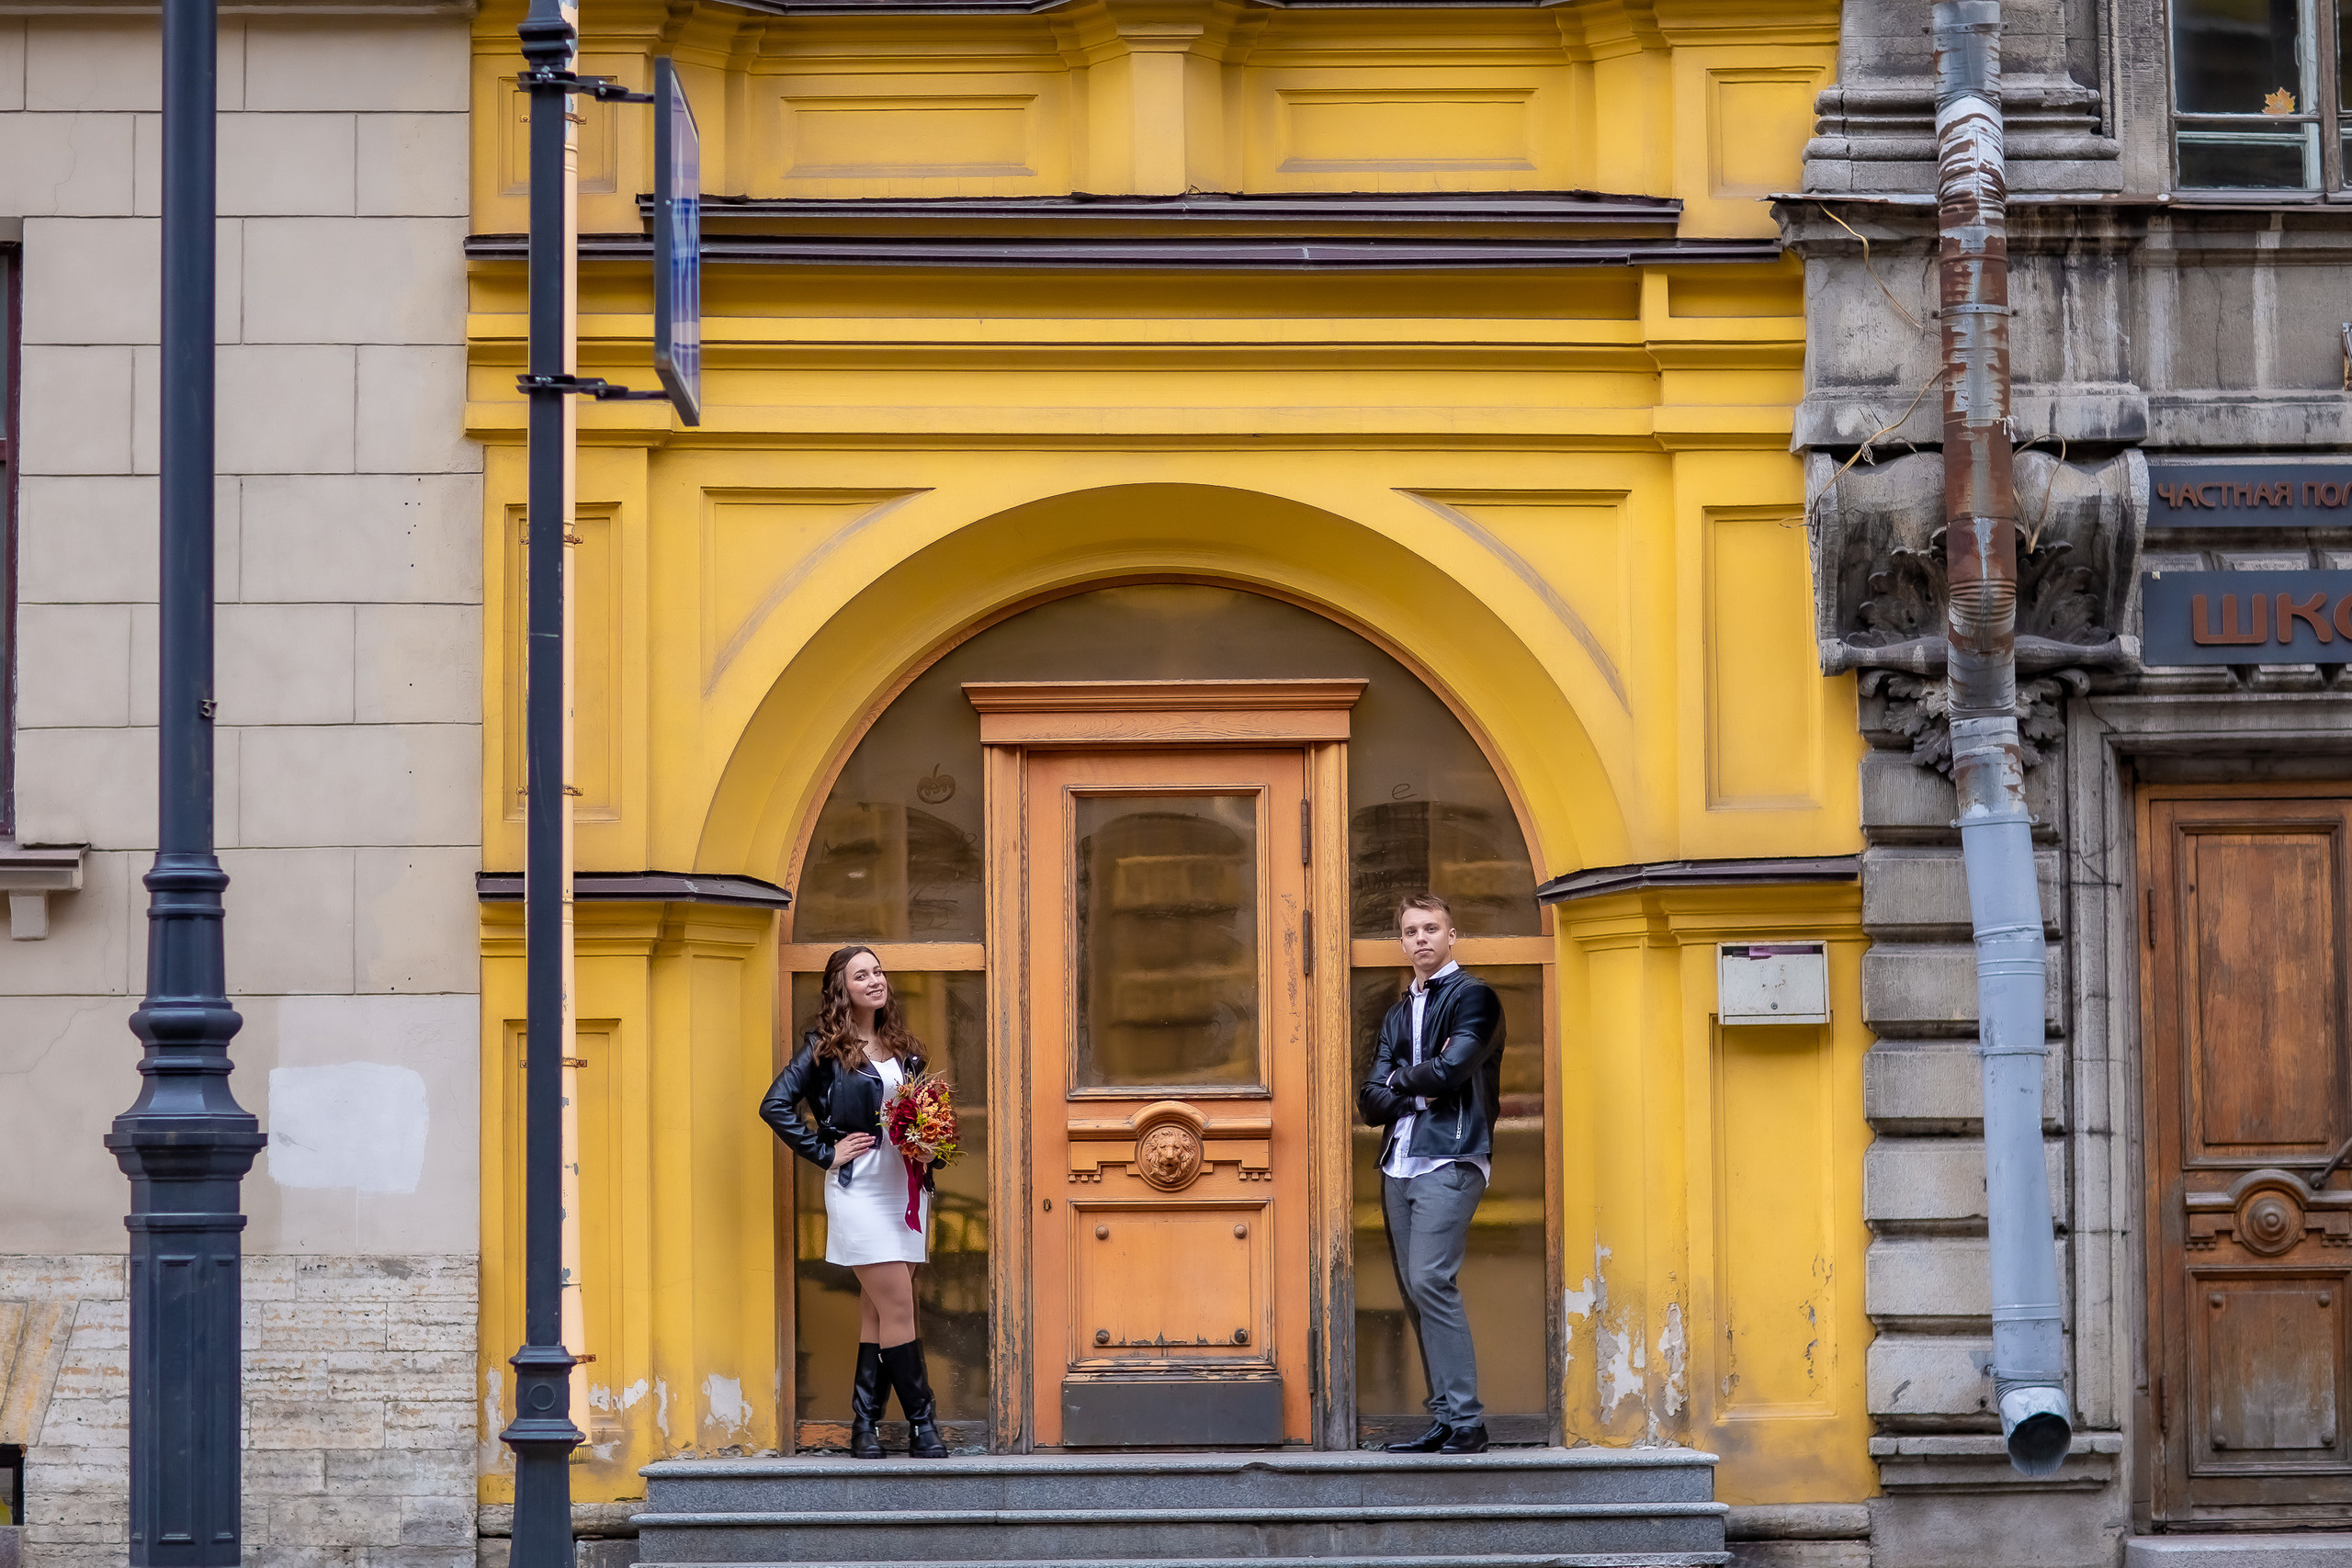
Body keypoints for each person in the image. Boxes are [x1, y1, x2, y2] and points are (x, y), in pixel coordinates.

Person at [759, 944, 950, 1459]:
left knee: (877, 1314)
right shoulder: (824, 1046)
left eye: (878, 971)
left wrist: (932, 1147)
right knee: (898, 1305)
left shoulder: (904, 1049)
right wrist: (825, 1150)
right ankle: (922, 1425)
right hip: (860, 1187)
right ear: (841, 988)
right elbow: (774, 1104)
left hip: (905, 1187)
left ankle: (864, 1428)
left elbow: (921, 1117)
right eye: (861, 974)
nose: (874, 980)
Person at [1357, 892, 1507, 1455]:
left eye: (1431, 928)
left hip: (1451, 1155)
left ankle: (1468, 1421)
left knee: (1429, 1280)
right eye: (1411, 931)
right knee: (1416, 1291)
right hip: (1399, 1161)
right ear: (1401, 942)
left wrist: (1400, 1078)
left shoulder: (1476, 998)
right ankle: (1446, 1418)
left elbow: (1451, 1071)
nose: (1421, 938)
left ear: (1452, 936)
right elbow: (1369, 1102)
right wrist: (1401, 1084)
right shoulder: (1399, 1012)